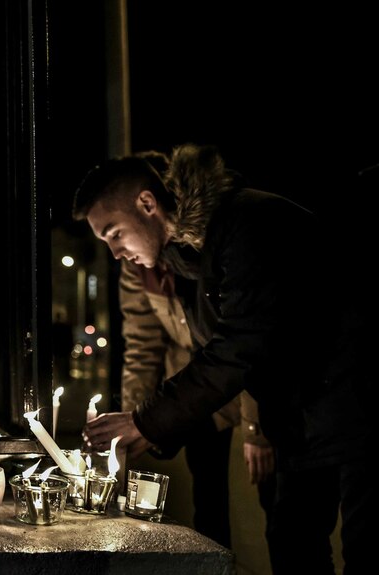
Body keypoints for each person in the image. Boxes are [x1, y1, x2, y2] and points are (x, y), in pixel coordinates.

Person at [73, 143, 370, 574]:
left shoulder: (247, 223)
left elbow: (239, 347)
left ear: (147, 203)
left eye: (115, 233)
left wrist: (146, 421)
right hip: (302, 415)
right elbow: (184, 349)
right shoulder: (191, 259)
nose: (116, 253)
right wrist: (141, 422)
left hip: (358, 401)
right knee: (292, 541)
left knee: (367, 549)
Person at [118, 150, 275, 549]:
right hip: (194, 391)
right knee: (208, 507)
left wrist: (257, 429)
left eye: (116, 233)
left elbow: (246, 343)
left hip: (241, 386)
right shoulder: (138, 263)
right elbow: (142, 343)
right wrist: (133, 421)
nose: (117, 250)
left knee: (275, 499)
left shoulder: (212, 241)